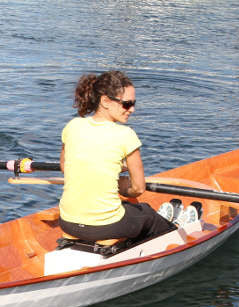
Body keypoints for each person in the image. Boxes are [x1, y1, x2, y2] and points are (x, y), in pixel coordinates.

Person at [58, 70, 176, 245]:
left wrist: (108, 170)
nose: (132, 110)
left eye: (133, 104)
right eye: (127, 104)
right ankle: (173, 234)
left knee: (132, 212)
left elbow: (64, 166)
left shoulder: (73, 126)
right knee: (147, 213)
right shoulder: (126, 135)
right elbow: (138, 188)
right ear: (105, 101)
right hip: (105, 226)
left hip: (67, 223)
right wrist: (122, 185)